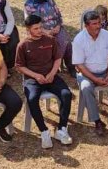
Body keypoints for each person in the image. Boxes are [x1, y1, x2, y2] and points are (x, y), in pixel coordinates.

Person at [15, 15, 74, 148]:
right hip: (32, 79)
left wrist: (52, 73)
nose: (40, 30)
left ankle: (62, 129)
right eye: (36, 28)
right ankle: (44, 131)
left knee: (66, 94)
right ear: (28, 29)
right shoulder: (23, 45)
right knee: (32, 99)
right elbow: (19, 66)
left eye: (41, 27)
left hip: (51, 76)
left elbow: (58, 59)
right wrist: (36, 76)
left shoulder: (50, 40)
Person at [72, 10, 108, 135]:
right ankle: (97, 121)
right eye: (94, 24)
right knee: (86, 88)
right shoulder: (79, 40)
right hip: (87, 73)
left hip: (107, 70)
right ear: (87, 26)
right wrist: (95, 79)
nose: (98, 26)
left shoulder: (106, 35)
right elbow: (80, 65)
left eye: (99, 22)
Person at [24, 0, 74, 75]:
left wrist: (58, 26)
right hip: (41, 31)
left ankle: (70, 67)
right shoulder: (29, 4)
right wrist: (45, 31)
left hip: (56, 27)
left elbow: (58, 14)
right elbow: (31, 23)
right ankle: (53, 67)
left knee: (66, 42)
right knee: (48, 45)